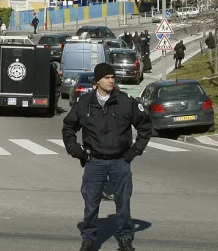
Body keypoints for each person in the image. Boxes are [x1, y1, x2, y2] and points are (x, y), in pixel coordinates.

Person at [62, 63, 152, 251]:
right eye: (106, 77)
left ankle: (125, 239)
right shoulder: (85, 102)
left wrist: (133, 152)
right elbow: (68, 127)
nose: (111, 80)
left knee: (123, 203)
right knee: (91, 203)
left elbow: (145, 127)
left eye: (112, 77)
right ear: (97, 82)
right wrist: (75, 150)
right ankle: (88, 239)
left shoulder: (125, 101)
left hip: (120, 161)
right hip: (94, 161)